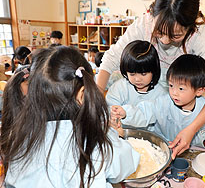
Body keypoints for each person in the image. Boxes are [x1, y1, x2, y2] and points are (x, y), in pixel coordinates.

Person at [97, 0, 205, 158]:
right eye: (159, 32)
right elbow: (111, 58)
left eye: (175, 36)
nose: (165, 41)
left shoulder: (199, 34)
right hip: (160, 97)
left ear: (190, 27)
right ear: (152, 14)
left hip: (184, 99)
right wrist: (97, 96)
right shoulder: (144, 23)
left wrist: (193, 128)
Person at [0, 46, 139, 188]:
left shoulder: (20, 136)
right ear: (82, 93)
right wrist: (116, 135)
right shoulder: (94, 140)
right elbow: (129, 163)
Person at [111, 55, 205, 151]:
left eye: (181, 89)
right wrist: (126, 113)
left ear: (199, 90)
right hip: (165, 148)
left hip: (195, 150)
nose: (174, 93)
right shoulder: (164, 102)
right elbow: (144, 111)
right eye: (171, 86)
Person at [106, 40, 166, 129]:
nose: (137, 79)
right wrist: (113, 116)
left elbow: (150, 115)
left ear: (154, 71)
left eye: (143, 74)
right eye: (132, 74)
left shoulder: (161, 94)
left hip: (148, 137)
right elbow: (109, 108)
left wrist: (126, 113)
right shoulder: (119, 88)